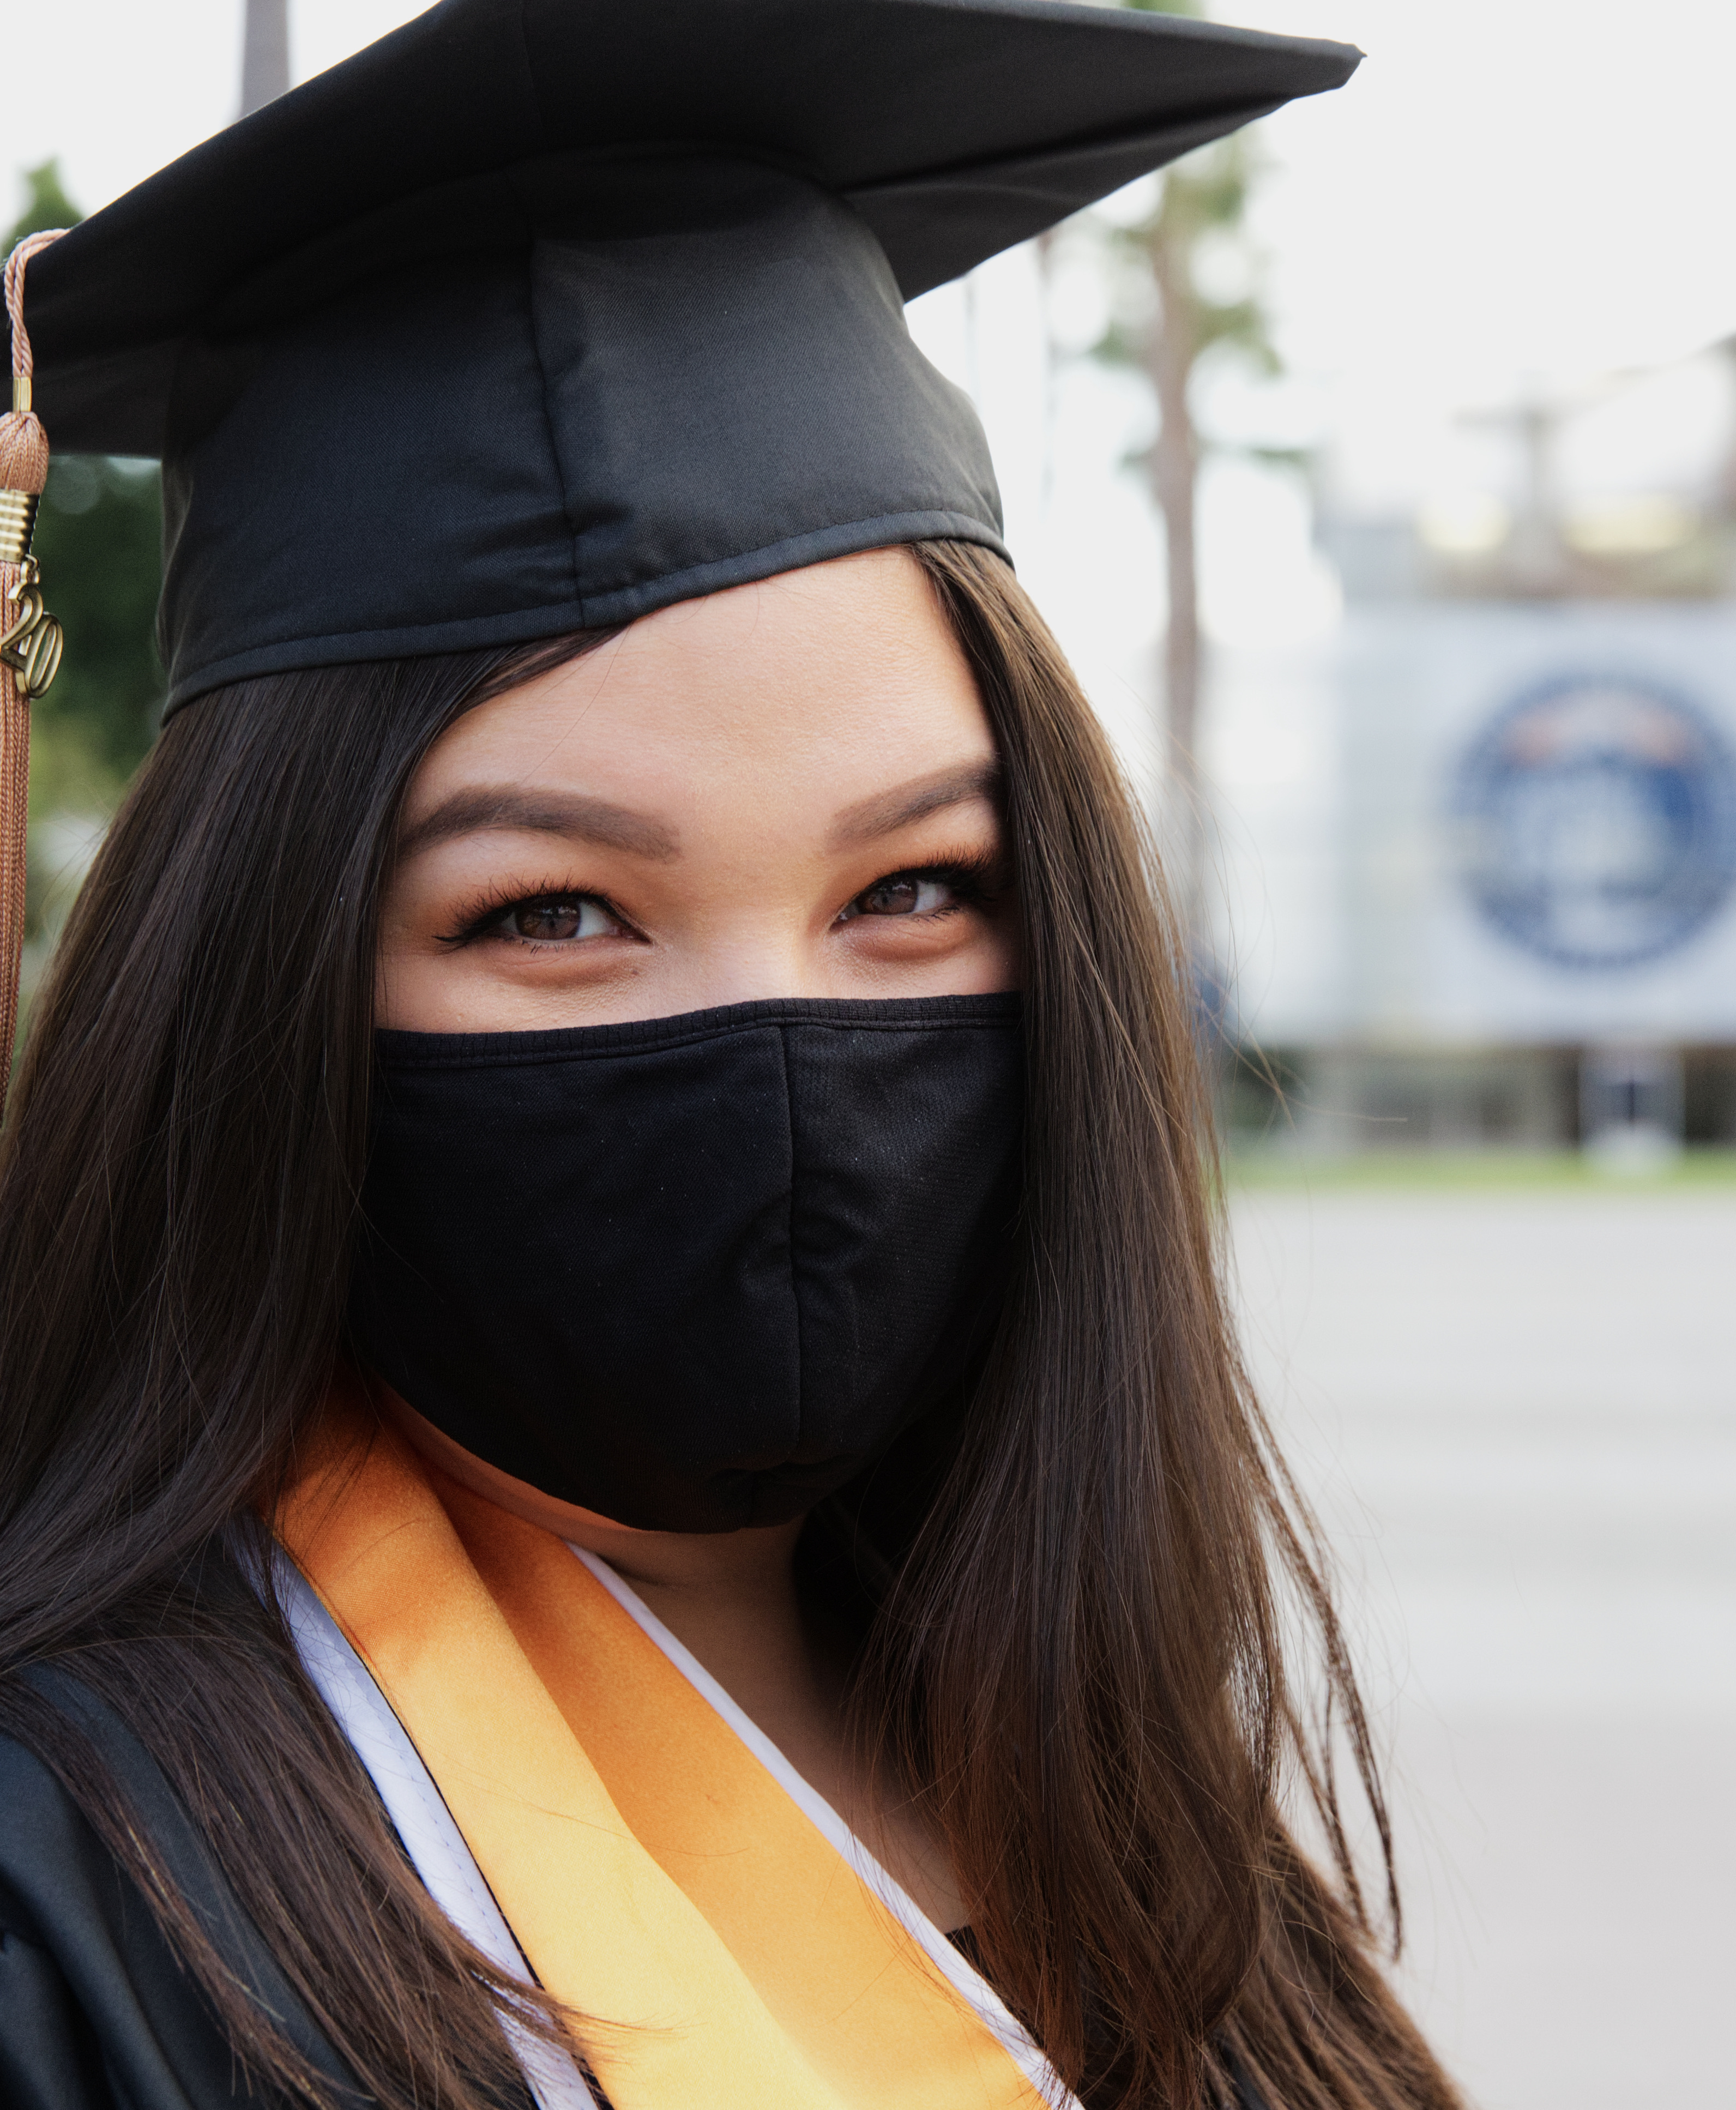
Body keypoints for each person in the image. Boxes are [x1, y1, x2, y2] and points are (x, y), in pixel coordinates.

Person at [0, 4, 1466, 2108]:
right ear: (265, 989)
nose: (783, 1066)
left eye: (912, 891)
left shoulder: (1103, 1774)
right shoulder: (71, 1914)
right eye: (553, 914)